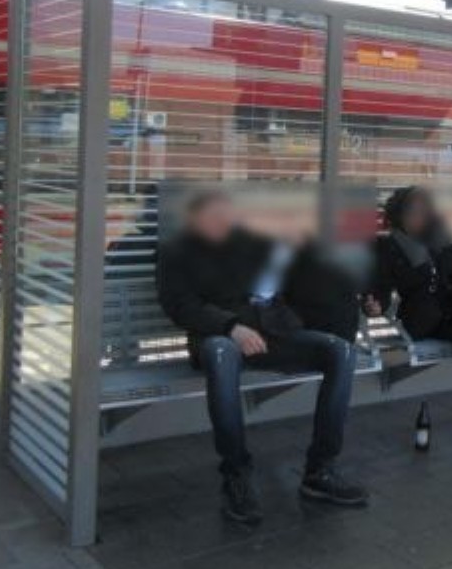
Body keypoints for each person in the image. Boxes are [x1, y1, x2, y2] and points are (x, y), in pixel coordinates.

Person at [155, 190, 368, 525]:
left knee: (340, 351)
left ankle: (320, 470)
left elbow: (285, 284)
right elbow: (180, 305)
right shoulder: (176, 252)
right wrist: (231, 327)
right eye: (214, 216)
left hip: (270, 334)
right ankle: (236, 474)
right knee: (223, 353)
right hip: (216, 338)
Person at [368, 186, 452, 446]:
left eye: (424, 210)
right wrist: (375, 306)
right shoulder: (388, 248)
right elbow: (379, 290)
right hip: (418, 322)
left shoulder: (441, 239)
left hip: (449, 317)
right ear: (399, 215)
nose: (421, 216)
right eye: (414, 212)